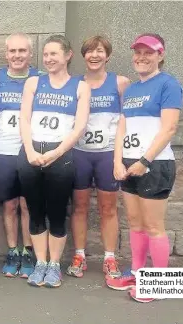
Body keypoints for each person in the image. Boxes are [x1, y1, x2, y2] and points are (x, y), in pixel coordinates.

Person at [108, 34, 182, 303]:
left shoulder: (168, 84)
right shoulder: (131, 89)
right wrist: (118, 161)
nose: (141, 57)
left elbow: (169, 128)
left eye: (148, 52)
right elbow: (122, 128)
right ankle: (138, 272)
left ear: (160, 55)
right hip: (128, 163)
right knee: (135, 222)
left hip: (155, 163)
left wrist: (144, 161)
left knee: (153, 225)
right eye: (137, 52)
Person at [18, 34, 91, 288]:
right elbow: (24, 119)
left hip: (60, 156)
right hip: (31, 154)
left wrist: (56, 153)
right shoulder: (34, 83)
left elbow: (79, 127)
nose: (48, 59)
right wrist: (29, 151)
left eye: (54, 54)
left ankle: (54, 265)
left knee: (57, 213)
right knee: (35, 212)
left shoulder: (80, 87)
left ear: (67, 55)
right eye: (46, 54)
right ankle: (40, 262)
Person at [66, 36, 130, 280]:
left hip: (107, 154)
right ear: (83, 55)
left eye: (100, 51)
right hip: (80, 153)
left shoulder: (120, 83)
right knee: (80, 206)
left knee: (108, 208)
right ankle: (79, 255)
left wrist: (121, 157)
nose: (94, 55)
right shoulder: (74, 84)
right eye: (90, 51)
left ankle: (110, 258)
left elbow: (127, 120)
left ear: (108, 55)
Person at [0, 33, 38, 279]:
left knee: (27, 204)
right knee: (9, 204)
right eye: (12, 51)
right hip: (3, 151)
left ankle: (28, 250)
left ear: (30, 53)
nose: (17, 55)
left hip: (31, 150)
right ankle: (12, 251)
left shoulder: (40, 79)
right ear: (6, 54)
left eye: (22, 51)